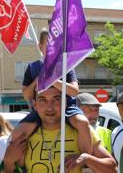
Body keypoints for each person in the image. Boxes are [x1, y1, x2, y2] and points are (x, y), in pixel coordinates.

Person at [11, 29, 93, 159]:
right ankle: (20, 167)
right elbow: (26, 95)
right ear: (40, 47)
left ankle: (86, 159)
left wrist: (53, 80)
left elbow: (74, 91)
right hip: (40, 110)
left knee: (83, 123)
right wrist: (38, 80)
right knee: (16, 134)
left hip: (67, 108)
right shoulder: (33, 67)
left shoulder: (67, 66)